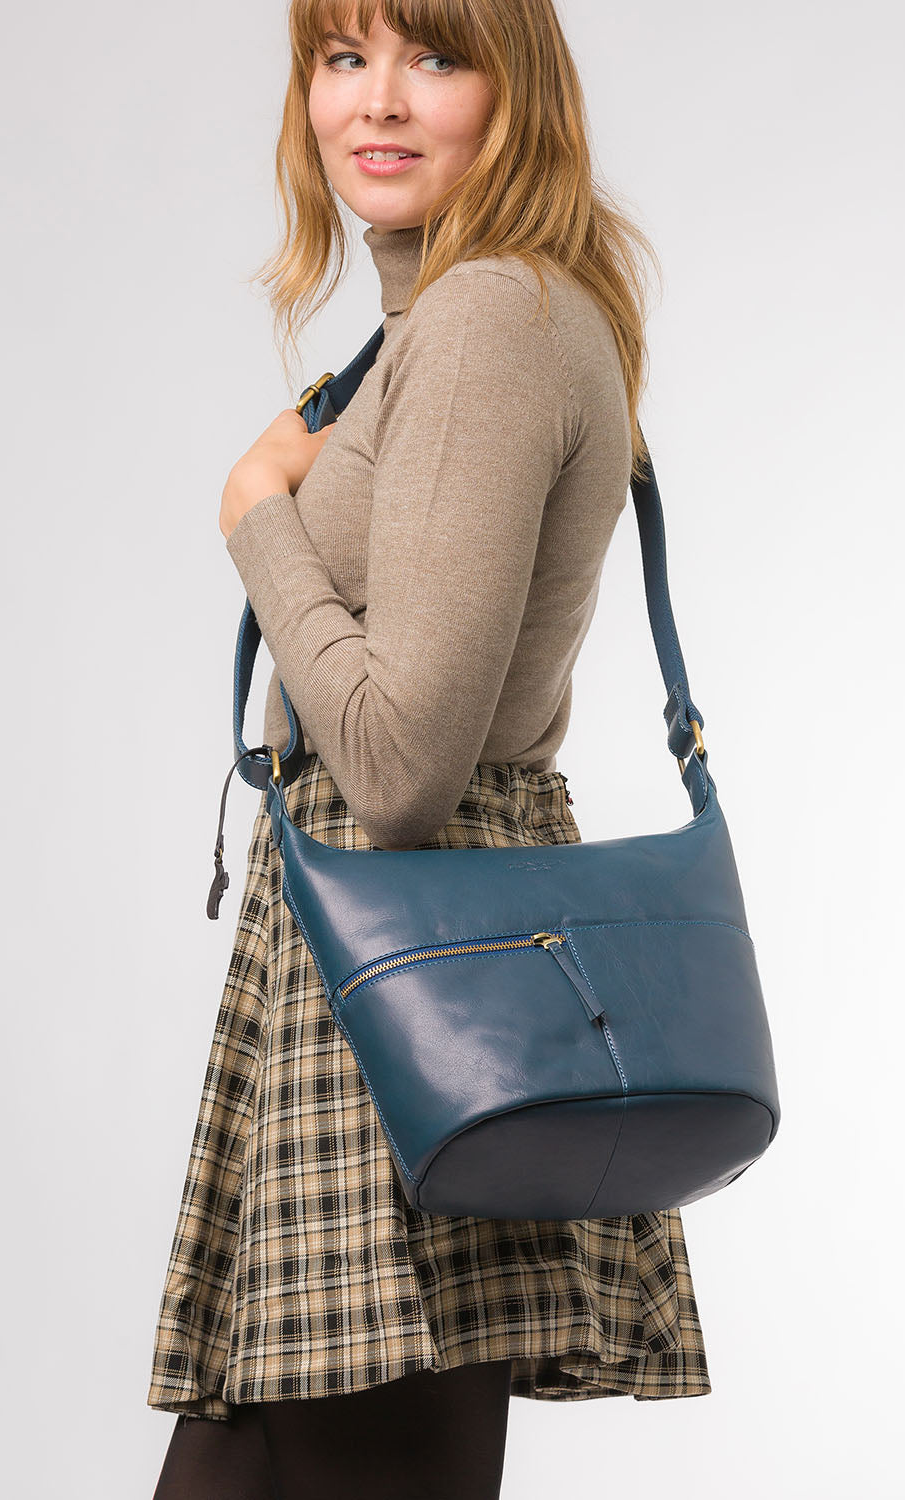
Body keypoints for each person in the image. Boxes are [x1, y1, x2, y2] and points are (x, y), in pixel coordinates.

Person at [148, 2, 711, 1495]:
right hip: (395, 971)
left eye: (433, 55)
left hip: (411, 977)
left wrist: (258, 515)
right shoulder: (448, 322)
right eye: (344, 58)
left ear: (515, 88)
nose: (377, 102)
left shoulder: (488, 321)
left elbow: (398, 769)